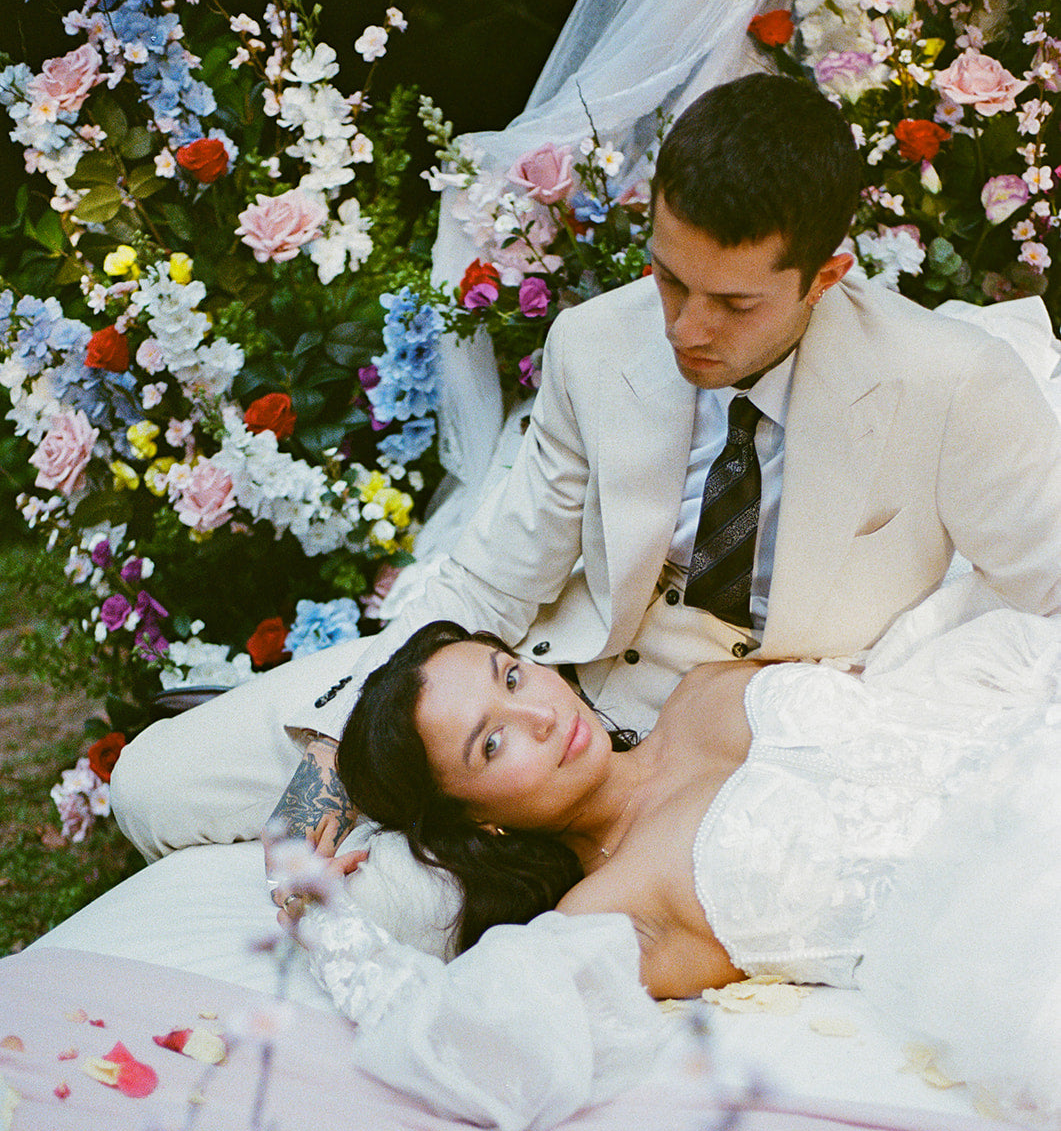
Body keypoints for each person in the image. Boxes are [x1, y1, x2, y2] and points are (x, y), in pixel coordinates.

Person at [110, 74, 1061, 940]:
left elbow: (1048, 597)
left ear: (824, 275)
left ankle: (394, 864)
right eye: (669, 279)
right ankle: (373, 801)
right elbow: (493, 582)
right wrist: (333, 765)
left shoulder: (953, 384)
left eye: (732, 304)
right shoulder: (593, 344)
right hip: (532, 680)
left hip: (701, 760)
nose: (687, 330)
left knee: (395, 911)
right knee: (152, 788)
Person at [314, 591, 1061, 1126]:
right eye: (492, 741)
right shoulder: (611, 908)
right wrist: (319, 915)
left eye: (511, 674)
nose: (541, 713)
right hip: (1018, 905)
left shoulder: (700, 688)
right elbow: (471, 1042)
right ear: (477, 824)